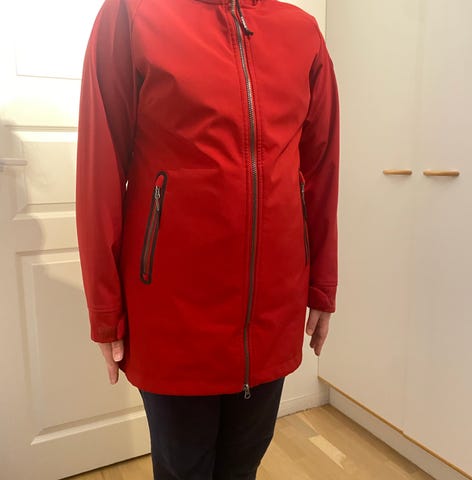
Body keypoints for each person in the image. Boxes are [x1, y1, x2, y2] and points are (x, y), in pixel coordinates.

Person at [76, 0, 339, 478]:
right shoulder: (133, 14)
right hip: (173, 314)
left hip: (272, 310)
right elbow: (100, 169)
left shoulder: (302, 32)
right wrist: (104, 308)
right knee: (183, 468)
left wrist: (322, 283)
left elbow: (320, 169)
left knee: (243, 464)